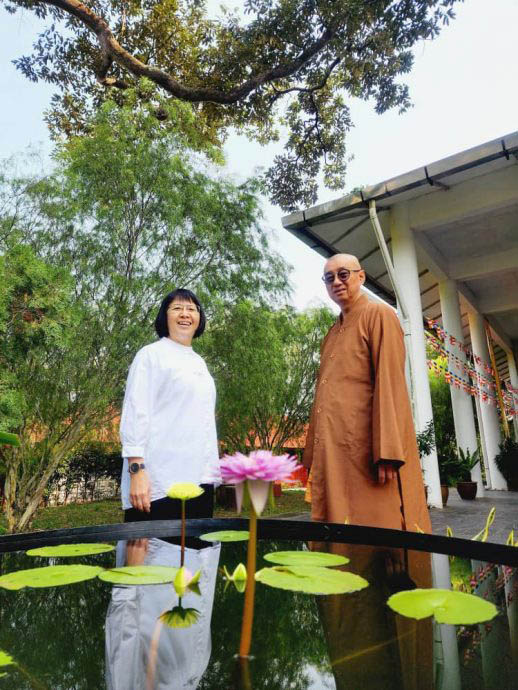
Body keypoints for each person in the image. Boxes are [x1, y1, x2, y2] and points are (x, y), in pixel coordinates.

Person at [303, 254, 431, 532]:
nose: (336, 282)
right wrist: (312, 453)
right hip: (334, 450)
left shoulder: (379, 315)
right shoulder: (332, 332)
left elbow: (390, 383)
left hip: (366, 450)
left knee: (377, 523)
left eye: (343, 274)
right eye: (329, 278)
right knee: (336, 524)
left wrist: (387, 451)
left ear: (361, 276)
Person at [120, 288, 221, 522]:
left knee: (195, 545)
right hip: (159, 484)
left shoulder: (199, 362)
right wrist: (137, 471)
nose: (185, 314)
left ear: (199, 318)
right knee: (154, 545)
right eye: (177, 308)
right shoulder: (150, 355)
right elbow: (136, 413)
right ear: (164, 317)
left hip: (200, 481)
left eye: (191, 309)